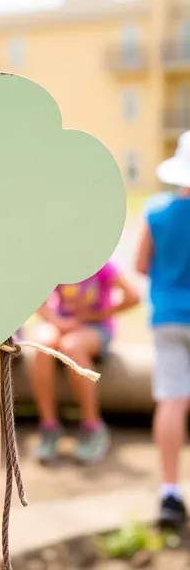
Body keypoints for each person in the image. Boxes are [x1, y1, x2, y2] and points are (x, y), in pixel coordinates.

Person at [30, 259, 140, 465]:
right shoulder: (57, 265)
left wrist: (98, 314)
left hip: (95, 329)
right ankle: (49, 426)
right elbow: (37, 300)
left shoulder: (104, 266)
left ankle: (93, 425)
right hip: (64, 324)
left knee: (72, 346)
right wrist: (59, 323)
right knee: (42, 344)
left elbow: (134, 296)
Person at [135, 130, 190, 529]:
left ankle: (170, 491)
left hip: (168, 316)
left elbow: (140, 264)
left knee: (171, 399)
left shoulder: (155, 211)